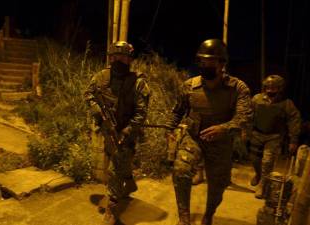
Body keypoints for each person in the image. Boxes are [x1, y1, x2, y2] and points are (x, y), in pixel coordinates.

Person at [166, 39, 252, 225]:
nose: (205, 66)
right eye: (202, 62)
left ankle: (209, 214)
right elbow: (178, 110)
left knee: (218, 185)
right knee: (180, 171)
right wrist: (170, 128)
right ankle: (184, 217)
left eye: (210, 62)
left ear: (222, 63)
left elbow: (244, 118)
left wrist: (224, 128)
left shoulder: (238, 88)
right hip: (193, 137)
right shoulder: (189, 86)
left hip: (221, 143)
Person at [84, 41, 150, 225]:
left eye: (123, 57)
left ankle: (112, 207)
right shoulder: (101, 77)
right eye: (115, 57)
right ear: (110, 57)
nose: (118, 60)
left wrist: (127, 131)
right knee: (116, 159)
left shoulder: (138, 83)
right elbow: (88, 94)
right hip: (107, 128)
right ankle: (129, 182)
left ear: (130, 60)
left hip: (127, 131)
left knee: (115, 167)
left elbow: (141, 113)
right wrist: (96, 109)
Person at [249, 75, 301, 198]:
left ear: (280, 89)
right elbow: (248, 114)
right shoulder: (257, 99)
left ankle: (263, 184)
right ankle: (258, 175)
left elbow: (294, 121)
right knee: (254, 159)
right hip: (256, 134)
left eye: (274, 88)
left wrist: (293, 140)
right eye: (268, 87)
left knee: (267, 161)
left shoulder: (286, 104)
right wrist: (245, 130)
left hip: (274, 136)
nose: (270, 90)